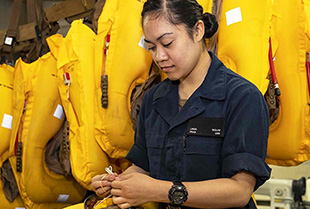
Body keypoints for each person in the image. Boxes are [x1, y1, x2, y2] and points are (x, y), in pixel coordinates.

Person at [91, 0, 271, 208]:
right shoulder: (153, 99)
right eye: (151, 47)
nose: (159, 57)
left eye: (167, 43)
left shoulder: (241, 97)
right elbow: (142, 166)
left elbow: (240, 190)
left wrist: (161, 191)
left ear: (197, 31)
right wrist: (118, 183)